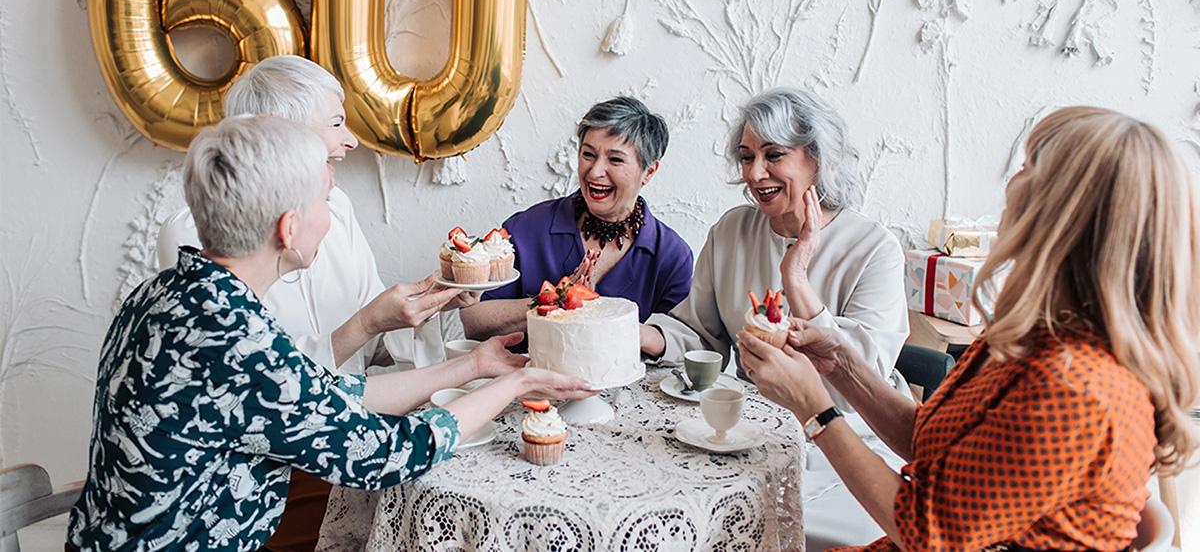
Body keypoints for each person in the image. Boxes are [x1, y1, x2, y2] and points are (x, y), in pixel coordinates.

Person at [67, 116, 594, 551]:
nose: (331, 217)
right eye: (324, 202)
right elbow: (392, 455)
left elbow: (326, 394)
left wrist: (476, 367)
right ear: (288, 229)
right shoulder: (236, 338)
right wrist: (516, 387)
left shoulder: (166, 293)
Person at [740, 106, 1200, 550]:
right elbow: (930, 441)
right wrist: (840, 361)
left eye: (1031, 166)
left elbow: (927, 534)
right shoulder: (1037, 333)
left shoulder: (1075, 388)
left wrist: (814, 408)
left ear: (1069, 214)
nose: (1013, 180)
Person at [157, 55, 470, 377]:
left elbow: (372, 347)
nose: (351, 141)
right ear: (279, 134)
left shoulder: (335, 206)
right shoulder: (192, 236)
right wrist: (367, 323)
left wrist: (429, 304)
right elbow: (248, 379)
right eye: (336, 123)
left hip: (351, 413)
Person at [639, 88, 908, 402]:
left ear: (819, 158)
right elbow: (700, 335)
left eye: (774, 154)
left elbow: (864, 384)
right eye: (747, 157)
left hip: (847, 432)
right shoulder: (731, 231)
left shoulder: (874, 250)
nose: (755, 173)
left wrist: (795, 279)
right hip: (756, 419)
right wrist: (638, 335)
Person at [462, 96, 693, 339]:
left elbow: (678, 348)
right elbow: (474, 322)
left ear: (649, 171)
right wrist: (553, 301)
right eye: (588, 154)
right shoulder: (526, 229)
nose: (594, 172)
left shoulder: (671, 256)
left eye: (615, 159)